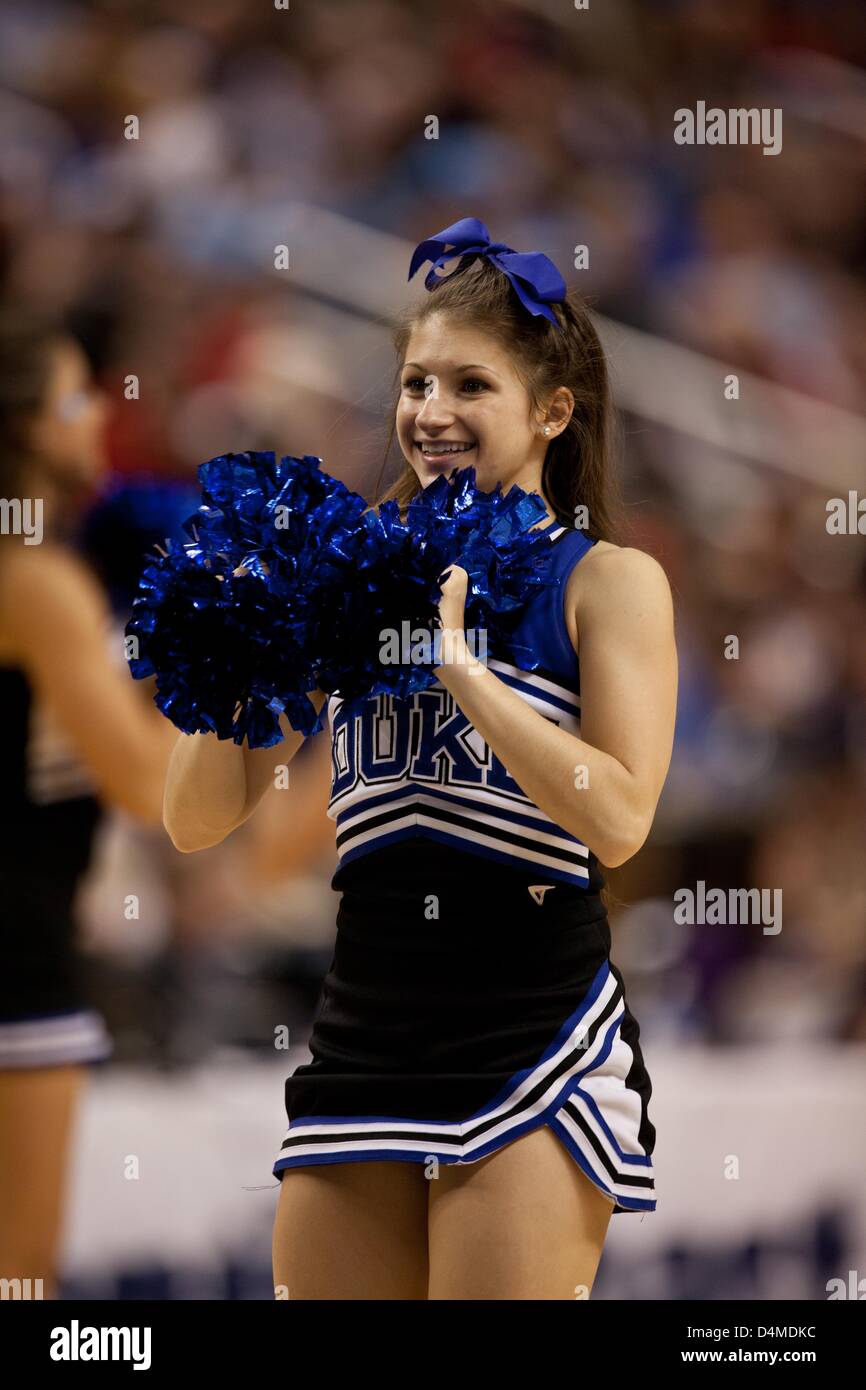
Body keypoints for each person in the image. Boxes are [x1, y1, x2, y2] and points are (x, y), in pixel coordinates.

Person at [164, 220, 678, 1300]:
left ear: (550, 411)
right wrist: (246, 644)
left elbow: (620, 816)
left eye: (469, 385)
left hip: (532, 1039)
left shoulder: (604, 582)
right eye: (413, 382)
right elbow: (195, 817)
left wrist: (461, 672)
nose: (430, 412)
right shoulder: (350, 576)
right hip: (363, 1039)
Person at [0, 311, 177, 1297]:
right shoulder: (36, 582)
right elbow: (148, 786)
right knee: (20, 1279)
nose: (98, 412)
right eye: (73, 398)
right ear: (25, 427)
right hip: (18, 963)